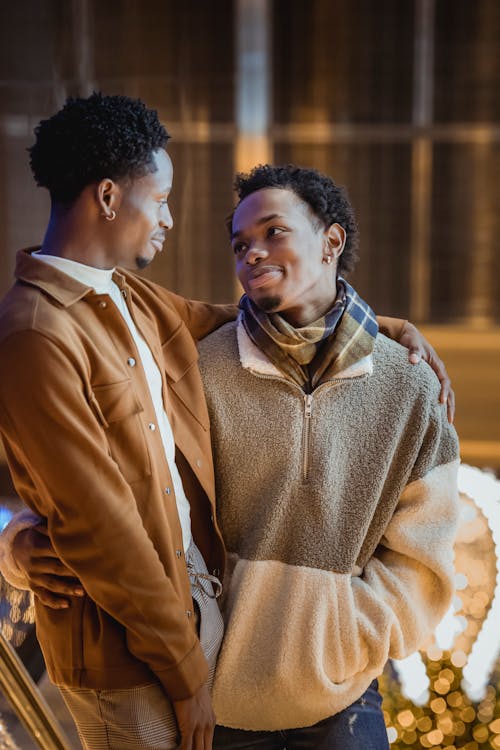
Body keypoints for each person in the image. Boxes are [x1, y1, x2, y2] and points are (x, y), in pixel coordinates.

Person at [0, 95, 453, 750]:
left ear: (331, 242)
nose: (169, 218)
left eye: (275, 232)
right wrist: (20, 544)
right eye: (159, 199)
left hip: (283, 678)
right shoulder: (39, 333)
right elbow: (101, 524)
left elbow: (243, 317)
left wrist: (381, 330)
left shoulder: (127, 298)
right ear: (106, 197)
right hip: (159, 668)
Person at [194, 165, 458, 748]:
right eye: (241, 244)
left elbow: (428, 552)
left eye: (274, 232)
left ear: (331, 242)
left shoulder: (408, 384)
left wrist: (351, 635)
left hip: (344, 705)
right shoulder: (197, 372)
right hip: (213, 707)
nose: (253, 253)